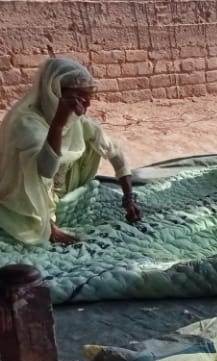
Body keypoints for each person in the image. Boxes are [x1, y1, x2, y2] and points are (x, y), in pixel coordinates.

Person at [0, 57, 140, 245]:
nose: (85, 108)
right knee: (30, 165)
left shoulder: (76, 122)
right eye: (79, 99)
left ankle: (56, 208)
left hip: (59, 192)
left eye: (88, 100)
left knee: (93, 143)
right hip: (23, 195)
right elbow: (45, 170)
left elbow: (114, 152)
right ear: (55, 93)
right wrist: (57, 124)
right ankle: (46, 222)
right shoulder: (25, 122)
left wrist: (129, 198)